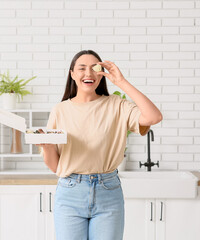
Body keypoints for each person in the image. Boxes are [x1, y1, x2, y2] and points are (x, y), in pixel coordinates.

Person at [37, 50, 162, 240]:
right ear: (72, 74)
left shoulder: (117, 105)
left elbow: (154, 117)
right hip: (70, 192)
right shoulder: (60, 110)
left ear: (102, 73)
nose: (89, 73)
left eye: (95, 68)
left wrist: (121, 82)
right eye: (82, 68)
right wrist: (46, 146)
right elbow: (55, 166)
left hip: (108, 192)